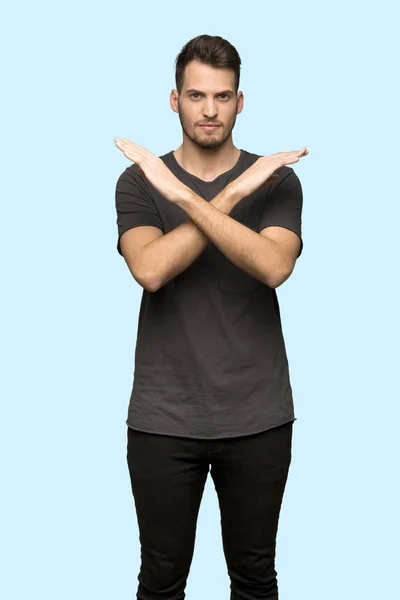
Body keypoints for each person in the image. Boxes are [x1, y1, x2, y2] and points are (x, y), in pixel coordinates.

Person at [114, 34, 308, 600]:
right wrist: (227, 196)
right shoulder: (138, 182)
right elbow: (150, 269)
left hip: (258, 417)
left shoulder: (277, 179)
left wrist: (203, 195)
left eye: (222, 97)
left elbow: (274, 267)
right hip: (162, 419)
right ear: (174, 100)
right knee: (160, 581)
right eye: (196, 95)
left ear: (240, 102)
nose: (209, 110)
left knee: (254, 581)